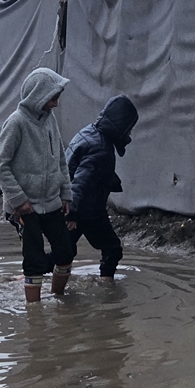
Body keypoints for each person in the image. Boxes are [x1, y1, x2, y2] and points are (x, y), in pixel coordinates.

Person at [0, 67, 74, 302]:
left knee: (66, 252)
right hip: (25, 208)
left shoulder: (50, 120)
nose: (56, 103)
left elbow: (60, 158)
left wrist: (65, 193)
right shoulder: (16, 123)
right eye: (53, 98)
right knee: (34, 260)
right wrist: (19, 200)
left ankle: (58, 299)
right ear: (38, 96)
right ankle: (35, 314)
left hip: (51, 201)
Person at [65, 94, 138, 281]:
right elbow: (81, 182)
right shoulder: (101, 148)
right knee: (112, 249)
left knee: (63, 252)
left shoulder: (89, 131)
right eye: (129, 128)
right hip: (86, 209)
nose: (130, 133)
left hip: (71, 204)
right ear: (120, 126)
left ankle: (27, 277)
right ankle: (107, 288)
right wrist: (73, 214)